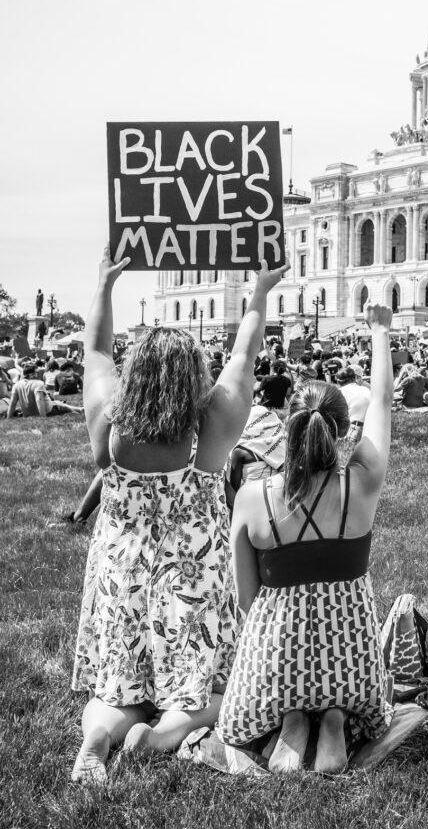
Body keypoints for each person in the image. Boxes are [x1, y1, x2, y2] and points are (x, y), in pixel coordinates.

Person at [69, 246, 289, 784]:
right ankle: (166, 733)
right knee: (214, 687)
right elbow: (244, 357)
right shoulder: (210, 429)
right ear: (193, 374)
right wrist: (259, 292)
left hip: (122, 570)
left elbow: (95, 354)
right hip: (193, 577)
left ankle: (98, 739)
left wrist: (104, 283)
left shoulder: (110, 427)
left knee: (116, 686)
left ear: (135, 374)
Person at [217, 303, 395, 775]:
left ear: (287, 425)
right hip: (351, 662)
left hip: (275, 663)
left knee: (284, 679)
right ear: (340, 430)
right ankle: (334, 718)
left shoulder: (253, 498)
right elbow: (380, 402)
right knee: (339, 688)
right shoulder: (360, 486)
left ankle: (293, 718)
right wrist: (380, 333)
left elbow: (246, 598)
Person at [3, 361, 83, 418]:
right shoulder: (38, 383)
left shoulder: (17, 385)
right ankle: (80, 409)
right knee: (63, 407)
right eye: (37, 373)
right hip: (47, 411)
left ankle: (78, 409)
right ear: (31, 375)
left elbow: (13, 402)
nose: (38, 374)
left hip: (27, 413)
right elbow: (39, 400)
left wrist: (9, 417)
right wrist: (43, 417)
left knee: (56, 402)